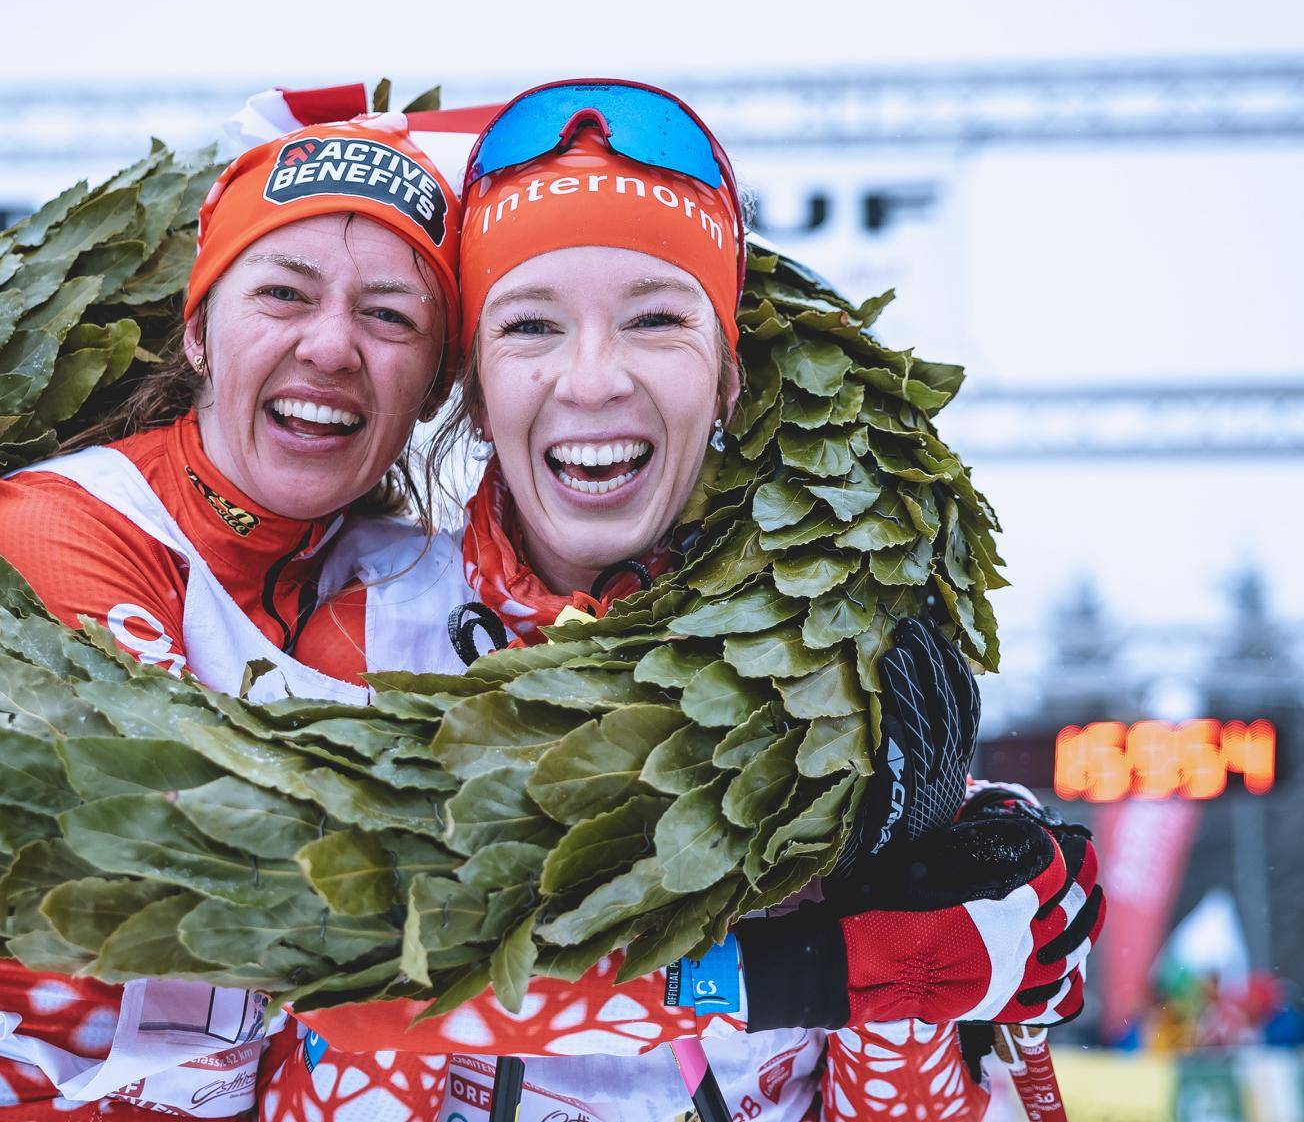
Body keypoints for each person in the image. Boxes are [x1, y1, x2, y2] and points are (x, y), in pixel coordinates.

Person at [263, 80, 1105, 1122]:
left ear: (730, 376)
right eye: (530, 326)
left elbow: (922, 1060)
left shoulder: (841, 648)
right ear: (472, 385)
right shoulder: (361, 629)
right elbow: (347, 1003)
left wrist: (952, 914)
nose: (591, 380)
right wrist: (799, 969)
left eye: (656, 319)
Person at [0, 110, 465, 1121]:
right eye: (283, 296)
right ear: (200, 333)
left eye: (391, 316)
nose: (333, 345)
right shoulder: (55, 523)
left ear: (432, 387)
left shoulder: (392, 574)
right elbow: (172, 847)